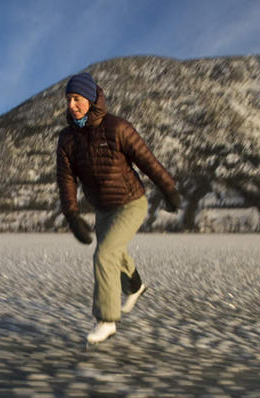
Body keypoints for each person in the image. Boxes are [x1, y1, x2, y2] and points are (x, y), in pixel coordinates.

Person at [56, 72, 181, 344]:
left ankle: (106, 319)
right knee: (115, 252)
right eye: (68, 100)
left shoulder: (117, 127)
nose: (72, 105)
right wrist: (72, 215)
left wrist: (168, 189)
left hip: (131, 203)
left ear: (91, 98)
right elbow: (66, 179)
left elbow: (148, 160)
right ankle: (135, 286)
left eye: (77, 99)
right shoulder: (67, 139)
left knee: (105, 255)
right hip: (103, 208)